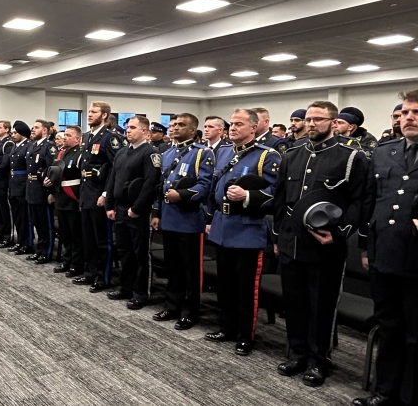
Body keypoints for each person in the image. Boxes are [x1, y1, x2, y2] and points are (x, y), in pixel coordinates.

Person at [273, 101, 367, 387]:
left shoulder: (351, 157)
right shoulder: (292, 153)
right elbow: (279, 198)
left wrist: (340, 233)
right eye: (308, 119)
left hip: (325, 244)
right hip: (291, 241)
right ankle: (298, 353)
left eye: (318, 119)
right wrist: (278, 237)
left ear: (334, 121)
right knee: (294, 302)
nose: (311, 124)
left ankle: (318, 360)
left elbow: (359, 201)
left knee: (321, 306)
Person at [353, 90, 418, 406]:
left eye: (416, 112)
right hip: (384, 254)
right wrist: (365, 248)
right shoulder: (384, 151)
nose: (409, 117)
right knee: (389, 328)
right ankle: (385, 392)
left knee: (415, 334)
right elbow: (370, 201)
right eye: (405, 112)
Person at [204, 108, 281, 357]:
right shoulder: (225, 152)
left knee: (246, 288)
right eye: (232, 124)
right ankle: (226, 327)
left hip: (247, 228)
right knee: (225, 284)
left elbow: (277, 195)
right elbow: (214, 188)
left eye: (239, 124)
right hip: (223, 226)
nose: (233, 128)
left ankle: (245, 335)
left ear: (254, 127)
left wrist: (248, 196)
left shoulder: (266, 156)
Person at [151, 113, 214, 326]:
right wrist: (157, 213)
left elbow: (205, 186)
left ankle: (190, 310)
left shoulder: (201, 153)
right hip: (169, 219)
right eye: (174, 124)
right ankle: (172, 306)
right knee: (173, 267)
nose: (175, 128)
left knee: (190, 270)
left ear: (192, 129)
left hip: (188, 220)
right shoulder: (168, 153)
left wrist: (183, 195)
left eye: (181, 125)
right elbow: (161, 187)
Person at [106, 116, 162, 309]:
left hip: (137, 212)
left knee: (139, 254)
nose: (127, 131)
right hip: (120, 209)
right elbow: (113, 180)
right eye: (127, 127)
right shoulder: (122, 152)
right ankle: (126, 287)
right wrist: (109, 205)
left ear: (145, 132)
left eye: (132, 127)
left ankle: (140, 293)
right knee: (124, 251)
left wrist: (137, 209)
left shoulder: (150, 153)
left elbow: (150, 184)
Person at [73, 102, 121, 292]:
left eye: (94, 112)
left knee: (102, 240)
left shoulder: (110, 138)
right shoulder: (88, 136)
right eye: (89, 112)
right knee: (88, 238)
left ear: (104, 116)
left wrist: (106, 194)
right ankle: (90, 272)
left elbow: (114, 168)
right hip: (86, 192)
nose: (90, 115)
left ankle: (103, 277)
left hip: (100, 193)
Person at [45, 126, 84, 277]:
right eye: (65, 134)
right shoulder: (61, 153)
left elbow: (81, 179)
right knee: (65, 233)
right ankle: (67, 261)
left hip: (73, 198)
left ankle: (77, 264)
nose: (65, 137)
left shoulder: (81, 154)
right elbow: (55, 173)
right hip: (61, 197)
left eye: (69, 135)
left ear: (77, 139)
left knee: (75, 235)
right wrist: (51, 190)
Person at [26, 120, 57, 263]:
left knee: (46, 223)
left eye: (36, 128)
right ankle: (39, 249)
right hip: (32, 187)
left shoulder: (49, 146)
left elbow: (51, 169)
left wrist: (51, 191)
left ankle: (47, 252)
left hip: (43, 188)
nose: (33, 130)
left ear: (45, 131)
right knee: (37, 222)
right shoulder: (33, 145)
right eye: (33, 128)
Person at [8, 121, 32, 254]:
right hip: (14, 182)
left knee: (24, 216)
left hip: (22, 183)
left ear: (22, 133)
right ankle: (20, 241)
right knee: (17, 215)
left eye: (16, 132)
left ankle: (27, 243)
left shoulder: (28, 146)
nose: (13, 134)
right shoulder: (15, 146)